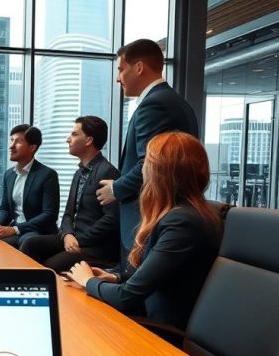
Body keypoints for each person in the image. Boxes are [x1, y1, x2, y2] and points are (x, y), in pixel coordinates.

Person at [69, 131, 222, 330]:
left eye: (147, 163)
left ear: (161, 172)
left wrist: (87, 281)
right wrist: (116, 277)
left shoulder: (181, 222)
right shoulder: (188, 213)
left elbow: (126, 297)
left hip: (159, 334)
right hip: (148, 318)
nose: (143, 172)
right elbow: (161, 276)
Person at [96, 39, 199, 265]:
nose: (117, 78)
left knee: (134, 293)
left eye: (121, 70)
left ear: (139, 68)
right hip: (166, 216)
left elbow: (151, 164)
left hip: (149, 219)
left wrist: (116, 188)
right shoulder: (176, 102)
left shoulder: (154, 105)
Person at [20, 116, 119, 272]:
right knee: (30, 244)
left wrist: (77, 239)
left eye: (74, 134)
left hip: (95, 247)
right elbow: (67, 214)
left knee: (52, 265)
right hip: (73, 239)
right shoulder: (79, 173)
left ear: (89, 140)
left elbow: (111, 219)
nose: (68, 139)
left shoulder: (108, 172)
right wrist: (67, 234)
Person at [0, 124, 60, 247]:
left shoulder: (47, 175)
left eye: (18, 142)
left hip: (35, 232)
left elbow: (49, 215)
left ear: (32, 147)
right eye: (11, 140)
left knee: (22, 243)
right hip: (13, 230)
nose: (11, 146)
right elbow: (4, 208)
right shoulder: (9, 175)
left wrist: (15, 229)